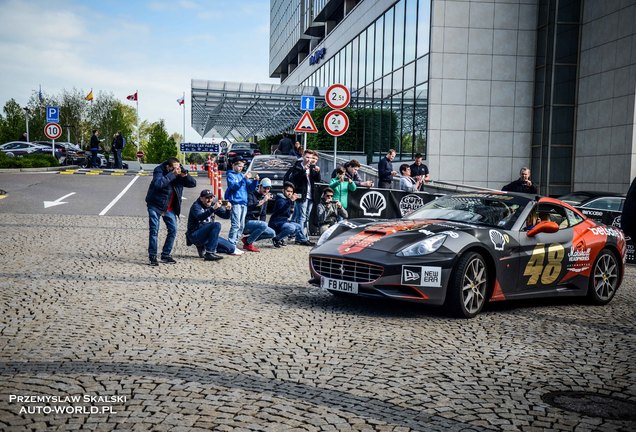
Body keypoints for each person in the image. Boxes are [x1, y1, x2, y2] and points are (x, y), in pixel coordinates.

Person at [145, 157, 196, 266]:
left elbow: (193, 184)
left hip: (170, 207)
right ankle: (152, 256)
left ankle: (165, 255)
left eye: (178, 168)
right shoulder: (159, 170)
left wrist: (185, 176)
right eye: (174, 168)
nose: (177, 170)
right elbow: (158, 184)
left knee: (173, 230)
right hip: (155, 205)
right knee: (154, 230)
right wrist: (172, 174)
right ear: (168, 167)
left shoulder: (179, 172)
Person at [186, 190, 243, 261]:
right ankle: (209, 253)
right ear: (201, 198)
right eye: (207, 198)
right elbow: (200, 217)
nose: (209, 200)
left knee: (231, 248)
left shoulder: (212, 205)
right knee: (216, 225)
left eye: (211, 197)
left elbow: (225, 216)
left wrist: (228, 210)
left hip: (209, 236)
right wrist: (213, 209)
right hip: (195, 234)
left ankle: (205, 247)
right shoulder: (196, 206)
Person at [284, 149, 321, 243]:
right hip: (301, 195)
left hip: (311, 195)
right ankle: (301, 238)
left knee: (306, 217)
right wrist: (303, 171)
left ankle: (301, 236)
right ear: (303, 156)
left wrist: (317, 171)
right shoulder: (298, 166)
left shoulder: (312, 167)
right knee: (302, 217)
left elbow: (317, 180)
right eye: (307, 157)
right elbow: (294, 179)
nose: (309, 159)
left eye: (311, 157)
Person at [225, 158, 259, 246]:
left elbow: (250, 188)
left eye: (242, 167)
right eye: (239, 166)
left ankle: (234, 244)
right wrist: (244, 179)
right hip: (235, 202)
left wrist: (255, 181)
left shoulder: (242, 176)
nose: (241, 168)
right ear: (234, 165)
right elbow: (233, 187)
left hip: (244, 202)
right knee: (236, 224)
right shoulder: (230, 175)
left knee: (241, 226)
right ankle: (231, 244)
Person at [269, 182, 313, 247]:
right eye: (288, 191)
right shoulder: (280, 200)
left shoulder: (287, 200)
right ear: (283, 190)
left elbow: (288, 213)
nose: (289, 193)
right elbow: (282, 210)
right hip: (276, 223)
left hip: (283, 222)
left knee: (298, 226)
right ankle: (276, 239)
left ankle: (281, 238)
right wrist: (291, 201)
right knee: (291, 228)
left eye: (291, 192)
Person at [242, 177, 277, 252]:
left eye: (268, 188)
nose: (266, 190)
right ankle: (248, 244)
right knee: (263, 225)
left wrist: (263, 226)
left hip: (256, 223)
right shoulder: (251, 194)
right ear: (259, 186)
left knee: (272, 233)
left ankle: (247, 239)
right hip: (247, 222)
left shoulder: (265, 198)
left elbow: (263, 214)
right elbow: (250, 206)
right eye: (265, 188)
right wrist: (262, 201)